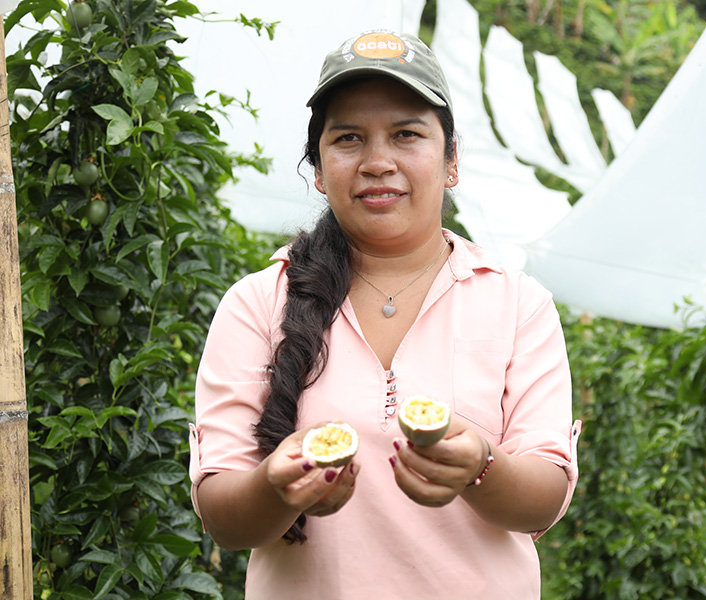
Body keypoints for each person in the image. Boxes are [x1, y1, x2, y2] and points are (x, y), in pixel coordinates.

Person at [189, 29, 580, 599]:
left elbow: (545, 494)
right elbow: (223, 516)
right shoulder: (258, 303)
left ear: (450, 161)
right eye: (348, 138)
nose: (377, 162)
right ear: (318, 169)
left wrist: (481, 465)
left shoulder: (518, 304)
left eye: (406, 135)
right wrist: (275, 487)